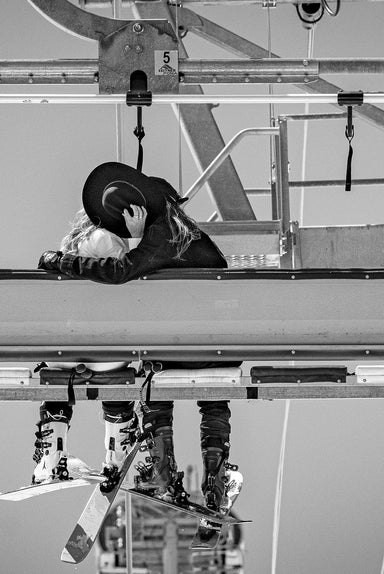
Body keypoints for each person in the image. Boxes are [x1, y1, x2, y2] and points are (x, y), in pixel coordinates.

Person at [38, 161, 238, 512]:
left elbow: (120, 273)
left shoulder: (160, 235)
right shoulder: (188, 236)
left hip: (174, 348)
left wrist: (60, 261)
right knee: (211, 393)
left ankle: (161, 471)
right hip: (219, 346)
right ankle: (215, 480)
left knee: (152, 378)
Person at [31, 207, 146, 486]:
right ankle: (115, 456)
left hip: (64, 352)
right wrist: (138, 237)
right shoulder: (107, 239)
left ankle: (52, 460)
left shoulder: (67, 247)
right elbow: (134, 279)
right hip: (105, 352)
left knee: (55, 382)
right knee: (119, 375)